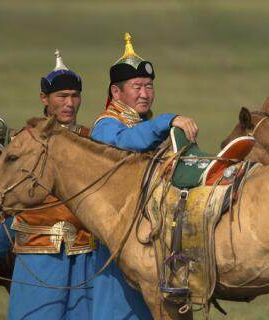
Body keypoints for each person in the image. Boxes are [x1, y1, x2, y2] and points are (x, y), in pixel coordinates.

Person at [0, 50, 97, 319]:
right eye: (61, 96)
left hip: (85, 254)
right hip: (37, 252)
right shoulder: (25, 142)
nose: (69, 103)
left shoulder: (92, 141)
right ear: (44, 99)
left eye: (74, 96)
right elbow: (6, 197)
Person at [91, 32, 200, 319]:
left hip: (148, 233)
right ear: (116, 93)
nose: (144, 93)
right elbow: (126, 142)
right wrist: (168, 121)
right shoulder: (106, 125)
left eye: (149, 86)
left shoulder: (145, 124)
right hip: (118, 237)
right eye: (137, 86)